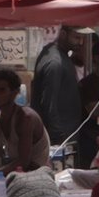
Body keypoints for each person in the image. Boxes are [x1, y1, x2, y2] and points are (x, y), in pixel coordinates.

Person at [29, 30, 86, 158]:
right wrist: (58, 136)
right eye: (77, 37)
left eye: (82, 38)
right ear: (63, 34)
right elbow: (48, 103)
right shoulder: (55, 62)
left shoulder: (60, 56)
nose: (80, 43)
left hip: (65, 136)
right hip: (58, 141)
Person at [0, 70, 51, 177]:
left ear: (14, 93)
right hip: (14, 174)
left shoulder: (25, 119)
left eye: (2, 90)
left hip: (36, 175)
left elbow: (23, 163)